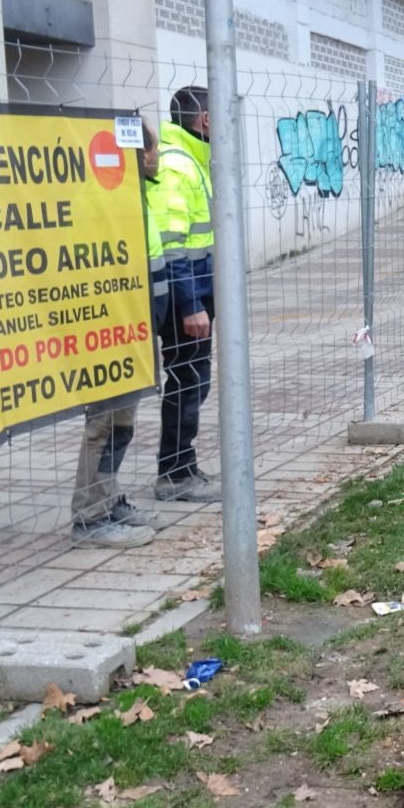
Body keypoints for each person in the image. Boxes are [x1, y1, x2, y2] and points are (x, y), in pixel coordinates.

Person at [68, 120, 161, 546]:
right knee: (102, 421)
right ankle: (88, 516)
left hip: (133, 328)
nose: (156, 159)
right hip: (106, 329)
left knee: (122, 422)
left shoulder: (138, 195)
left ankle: (107, 499)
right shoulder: (98, 200)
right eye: (151, 151)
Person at [151, 85, 223, 503]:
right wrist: (190, 305)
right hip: (186, 300)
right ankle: (174, 473)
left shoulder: (190, 159)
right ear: (206, 121)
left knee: (194, 381)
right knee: (186, 381)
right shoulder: (178, 165)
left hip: (195, 294)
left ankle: (183, 464)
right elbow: (174, 243)